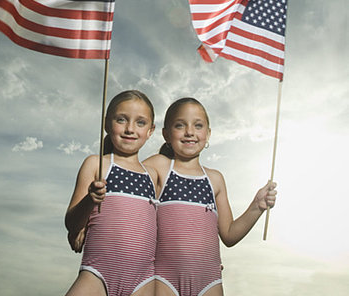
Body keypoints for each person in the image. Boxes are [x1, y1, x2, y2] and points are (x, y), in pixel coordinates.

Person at [144, 97, 277, 296]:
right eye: (180, 125)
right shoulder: (159, 166)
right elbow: (121, 181)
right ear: (166, 134)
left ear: (208, 133)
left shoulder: (215, 179)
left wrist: (257, 206)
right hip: (164, 278)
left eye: (198, 125)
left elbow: (229, 235)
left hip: (209, 282)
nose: (190, 132)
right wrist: (87, 222)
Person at [64, 89, 158, 296]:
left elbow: (169, 224)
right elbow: (71, 223)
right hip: (97, 273)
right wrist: (89, 201)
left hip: (143, 279)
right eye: (121, 120)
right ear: (107, 123)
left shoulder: (154, 174)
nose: (130, 129)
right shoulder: (96, 164)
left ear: (151, 130)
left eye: (140, 122)